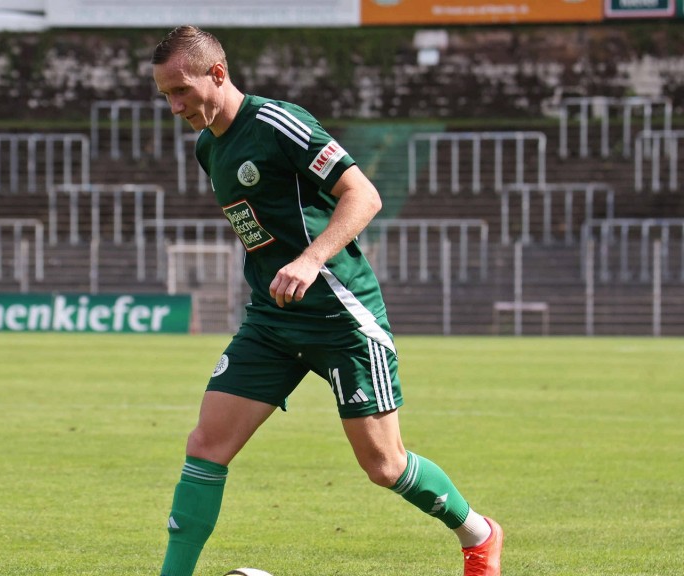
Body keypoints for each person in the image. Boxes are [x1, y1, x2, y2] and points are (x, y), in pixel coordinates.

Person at [151, 26, 503, 576]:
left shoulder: (277, 123)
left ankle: (479, 535)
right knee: (206, 445)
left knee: (384, 466)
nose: (174, 106)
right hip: (272, 321)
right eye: (165, 95)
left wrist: (311, 260)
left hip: (341, 316)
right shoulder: (207, 146)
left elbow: (363, 194)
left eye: (181, 91)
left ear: (217, 74)